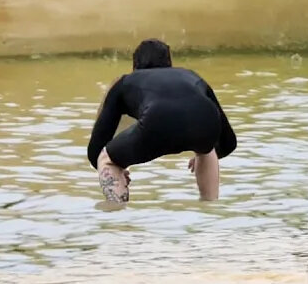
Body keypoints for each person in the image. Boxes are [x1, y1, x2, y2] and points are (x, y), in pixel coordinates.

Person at [86, 39, 237, 203]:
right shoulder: (191, 76)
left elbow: (97, 145)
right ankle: (210, 207)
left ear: (135, 66)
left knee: (106, 160)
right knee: (207, 151)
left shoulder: (127, 81)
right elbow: (229, 142)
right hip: (205, 122)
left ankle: (118, 215)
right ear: (170, 64)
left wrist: (115, 169)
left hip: (157, 120)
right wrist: (205, 149)